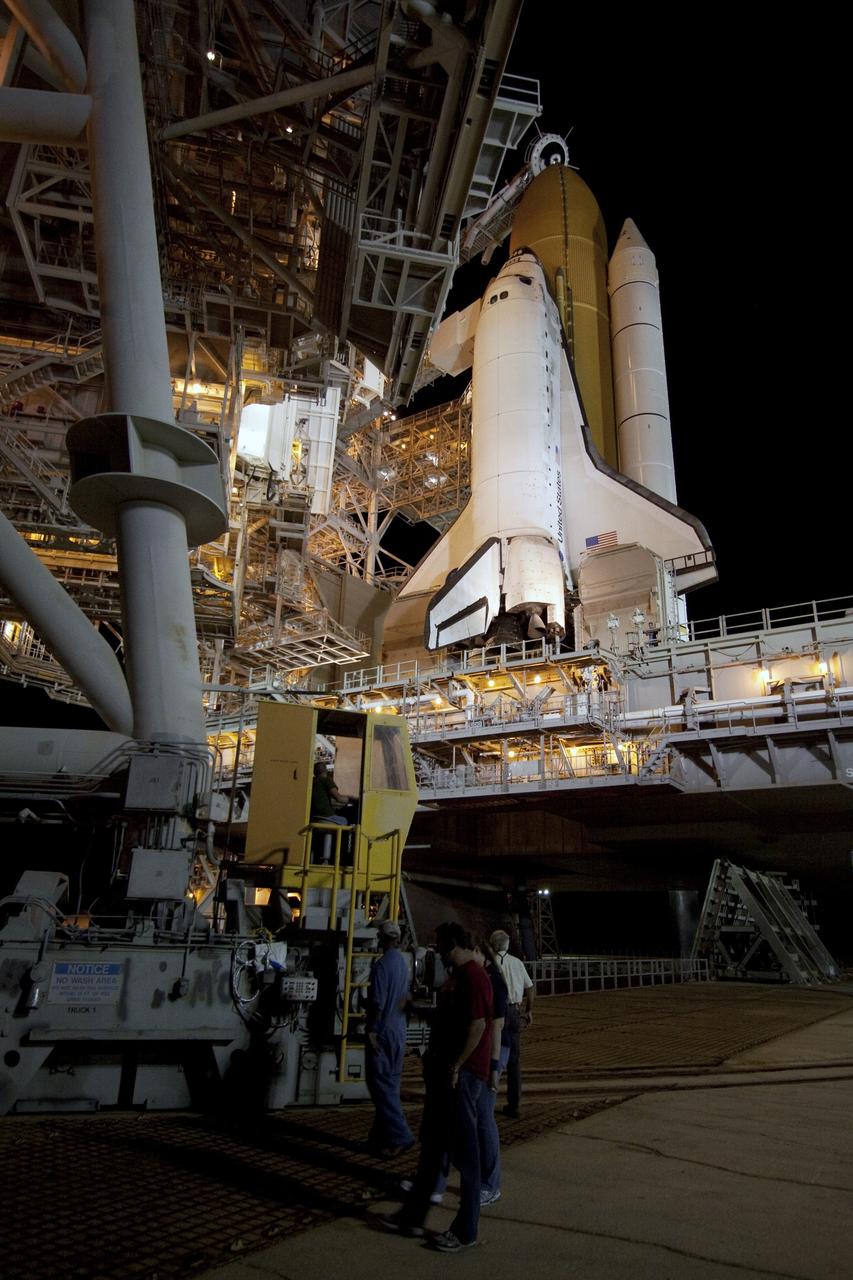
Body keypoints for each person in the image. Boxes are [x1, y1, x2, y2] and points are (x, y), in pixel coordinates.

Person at [381, 921, 493, 1252]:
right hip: (445, 1075)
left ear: (454, 943)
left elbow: (478, 1025)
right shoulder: (457, 977)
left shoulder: (475, 977)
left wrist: (457, 1065)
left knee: (466, 1157)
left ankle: (466, 1230)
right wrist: (417, 1009)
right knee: (432, 1147)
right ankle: (412, 1217)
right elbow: (449, 1018)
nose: (437, 950)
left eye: (440, 943)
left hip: (463, 1077)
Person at [365, 920, 414, 1158]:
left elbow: (378, 1002)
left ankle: (400, 1135)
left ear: (382, 938)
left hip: (383, 1031)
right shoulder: (402, 963)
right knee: (390, 1085)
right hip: (398, 1031)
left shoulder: (382, 965)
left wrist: (372, 1031)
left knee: (381, 1087)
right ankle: (380, 1137)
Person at [473, 937, 506, 1207]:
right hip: (483, 1051)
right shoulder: (483, 977)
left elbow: (496, 1025)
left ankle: (491, 1183)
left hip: (493, 1051)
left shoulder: (493, 980)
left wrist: (494, 1067)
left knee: (484, 1116)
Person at [489, 929, 534, 1119]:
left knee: (494, 1055)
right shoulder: (517, 962)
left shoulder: (490, 964)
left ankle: (488, 1100)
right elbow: (530, 987)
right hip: (515, 1011)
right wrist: (529, 1010)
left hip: (497, 1012)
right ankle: (514, 1104)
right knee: (514, 1060)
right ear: (507, 945)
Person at [310, 761, 349, 862]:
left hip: (315, 817)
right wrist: (351, 799)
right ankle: (343, 856)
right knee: (346, 822)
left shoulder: (312, 782)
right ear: (326, 771)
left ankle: (318, 858)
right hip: (325, 816)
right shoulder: (326, 780)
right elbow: (339, 798)